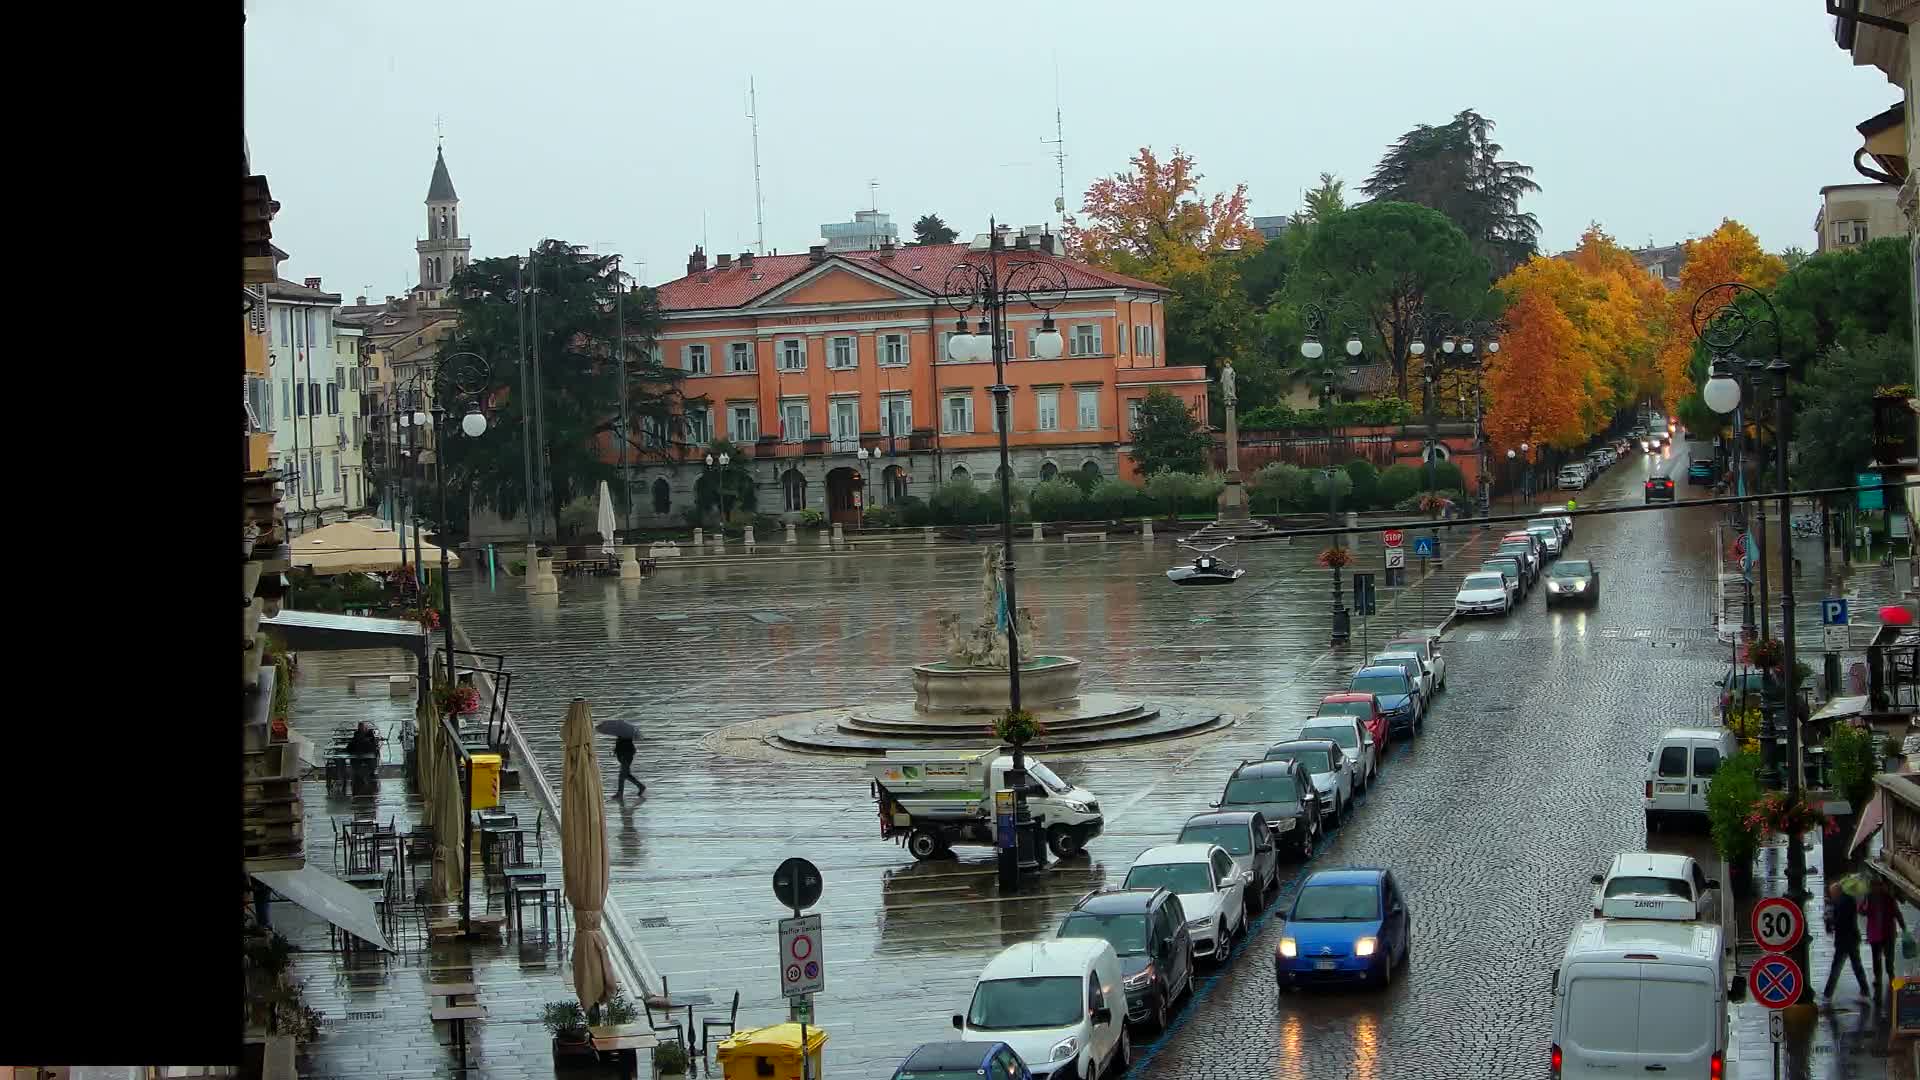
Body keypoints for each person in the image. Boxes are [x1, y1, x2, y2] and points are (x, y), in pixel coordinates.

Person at [1823, 877, 1869, 1001]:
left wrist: (1831, 921)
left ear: (1837, 891)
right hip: (1851, 938)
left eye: (1832, 893)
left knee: (1837, 967)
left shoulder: (1842, 902)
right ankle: (1865, 991)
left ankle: (1827, 994)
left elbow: (1841, 921)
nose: (1831, 895)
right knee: (1856, 966)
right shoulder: (1846, 900)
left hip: (1845, 940)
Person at [1865, 875, 1907, 999]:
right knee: (1876, 959)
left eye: (1878, 885)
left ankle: (1891, 976)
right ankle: (1878, 978)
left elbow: (1897, 913)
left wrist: (1903, 927)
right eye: (1874, 886)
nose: (1876, 888)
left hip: (1888, 933)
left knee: (1889, 957)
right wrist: (1864, 907)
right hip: (1875, 934)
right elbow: (1862, 911)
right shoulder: (1868, 898)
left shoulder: (1888, 898)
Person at [613, 734, 645, 798]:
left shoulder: (625, 736)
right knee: (626, 774)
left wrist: (618, 749)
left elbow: (624, 747)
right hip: (624, 756)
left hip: (626, 757)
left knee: (622, 775)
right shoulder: (623, 735)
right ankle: (641, 786)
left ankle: (620, 793)